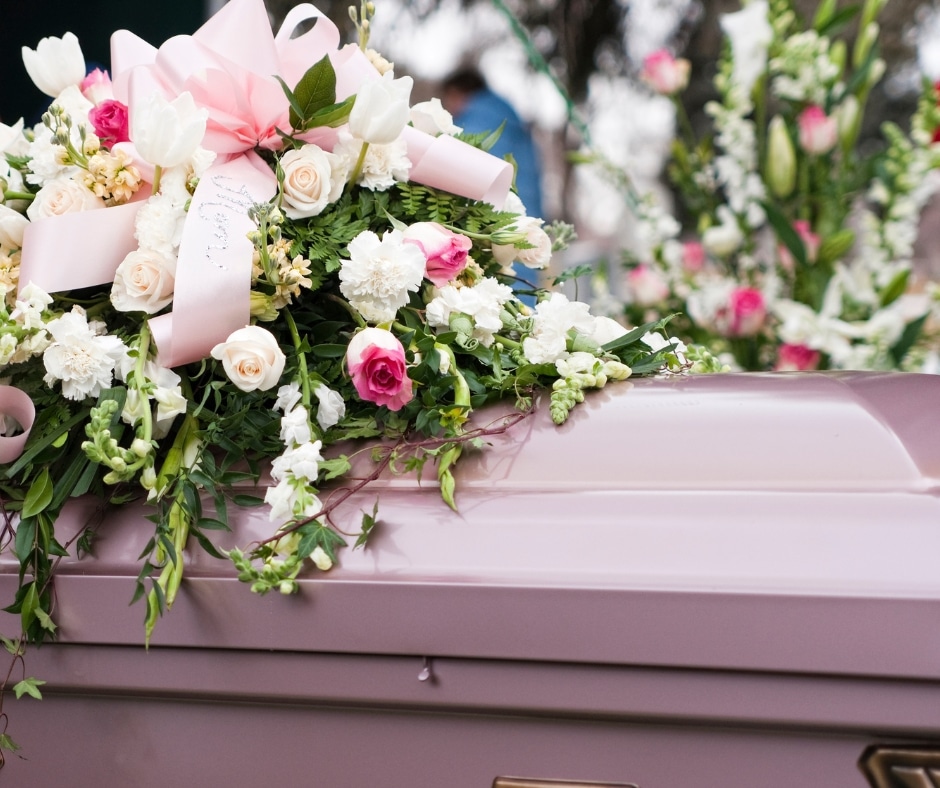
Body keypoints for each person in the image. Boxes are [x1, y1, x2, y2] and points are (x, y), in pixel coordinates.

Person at [442, 67, 545, 303]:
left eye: (449, 102)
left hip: (495, 219)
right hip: (526, 216)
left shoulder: (477, 119)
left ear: (458, 93)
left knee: (496, 287)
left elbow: (460, 166)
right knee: (521, 281)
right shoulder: (509, 116)